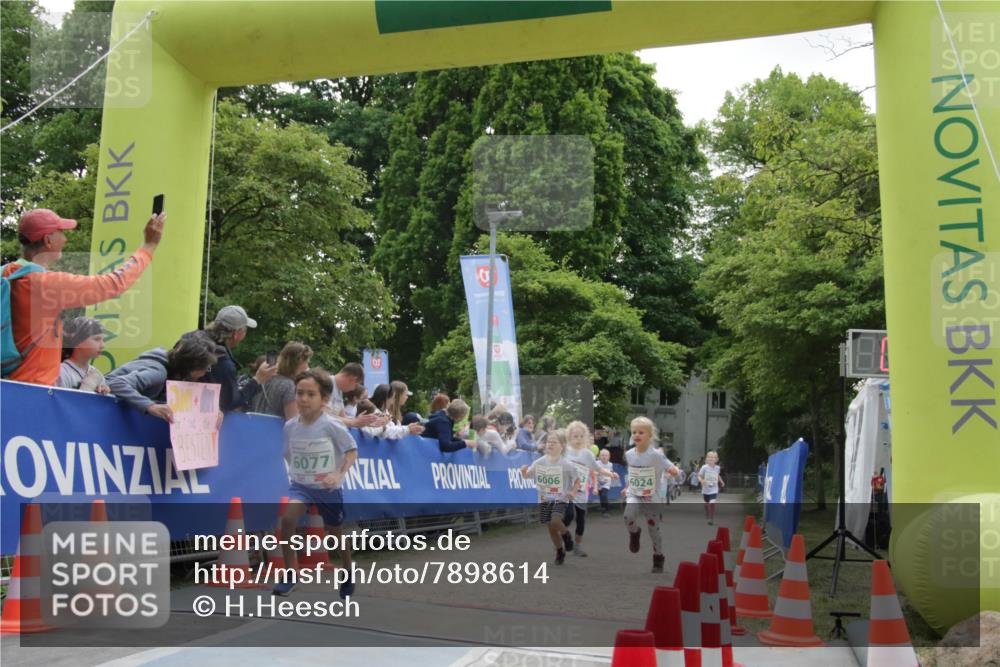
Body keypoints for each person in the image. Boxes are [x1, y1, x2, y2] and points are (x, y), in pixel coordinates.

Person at [2, 209, 165, 385]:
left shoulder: (6, 273)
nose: (65, 239)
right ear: (48, 240)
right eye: (61, 232)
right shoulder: (44, 283)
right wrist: (148, 247)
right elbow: (114, 283)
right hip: (33, 388)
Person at [272, 369, 359, 598]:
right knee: (288, 520)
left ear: (324, 399)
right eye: (300, 393)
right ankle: (291, 575)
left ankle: (348, 569)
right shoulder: (290, 426)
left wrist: (338, 474)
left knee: (335, 532)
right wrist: (299, 472)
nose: (303, 399)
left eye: (311, 394)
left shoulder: (332, 425)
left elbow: (351, 451)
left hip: (327, 488)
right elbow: (288, 453)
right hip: (301, 486)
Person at [105, 332, 218, 422]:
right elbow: (116, 383)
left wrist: (213, 411)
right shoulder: (158, 372)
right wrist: (150, 406)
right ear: (192, 367)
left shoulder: (174, 373)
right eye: (206, 367)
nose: (206, 372)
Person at [620, 416, 680, 573]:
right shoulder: (629, 454)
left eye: (641, 432)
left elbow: (671, 467)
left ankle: (658, 556)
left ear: (650, 435)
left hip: (652, 496)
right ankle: (634, 533)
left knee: (653, 528)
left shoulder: (655, 455)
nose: (637, 435)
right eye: (634, 432)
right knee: (628, 516)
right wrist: (627, 487)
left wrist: (674, 471)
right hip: (635, 494)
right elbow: (633, 473)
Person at [519, 429, 581, 565]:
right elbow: (527, 475)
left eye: (554, 442)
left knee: (555, 521)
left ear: (562, 446)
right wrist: (523, 471)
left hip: (560, 499)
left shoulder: (566, 464)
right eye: (548, 442)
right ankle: (560, 551)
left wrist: (573, 492)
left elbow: (577, 481)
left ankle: (566, 536)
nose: (550, 444)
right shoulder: (539, 462)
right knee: (551, 529)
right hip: (544, 500)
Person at [201, 305, 277, 412]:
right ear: (236, 334)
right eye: (245, 329)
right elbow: (230, 402)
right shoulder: (224, 363)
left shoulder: (190, 342)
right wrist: (258, 379)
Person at [562, 420, 618, 557]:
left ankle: (577, 547)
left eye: (581, 436)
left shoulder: (587, 454)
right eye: (575, 436)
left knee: (581, 520)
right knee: (568, 515)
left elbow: (598, 468)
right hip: (567, 491)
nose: (578, 439)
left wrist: (611, 474)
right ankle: (564, 537)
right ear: (569, 437)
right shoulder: (564, 452)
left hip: (581, 491)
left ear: (585, 437)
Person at [251, 342, 312, 419]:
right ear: (297, 363)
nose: (307, 367)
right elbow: (293, 421)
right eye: (306, 362)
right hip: (276, 427)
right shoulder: (289, 386)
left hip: (255, 425)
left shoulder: (265, 379)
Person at [56, 316, 110, 394]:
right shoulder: (62, 373)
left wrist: (104, 394)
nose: (102, 345)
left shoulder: (98, 375)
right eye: (97, 339)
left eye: (103, 340)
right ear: (77, 341)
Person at [324, 362, 381, 428]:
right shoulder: (325, 384)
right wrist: (354, 422)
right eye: (356, 385)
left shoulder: (339, 389)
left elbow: (343, 417)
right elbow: (324, 416)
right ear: (353, 379)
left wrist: (364, 422)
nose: (353, 389)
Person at [698, 450, 725, 525]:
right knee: (706, 504)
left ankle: (711, 518)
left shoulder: (717, 468)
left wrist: (721, 481)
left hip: (714, 488)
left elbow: (717, 475)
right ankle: (707, 512)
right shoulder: (704, 467)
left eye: (713, 457)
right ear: (706, 459)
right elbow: (699, 475)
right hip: (706, 489)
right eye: (709, 457)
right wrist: (701, 480)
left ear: (717, 459)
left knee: (712, 503)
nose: (711, 459)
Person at [596, 448, 614, 517]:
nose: (604, 457)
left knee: (604, 495)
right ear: (599, 456)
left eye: (606, 455)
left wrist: (612, 475)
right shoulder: (597, 463)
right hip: (598, 483)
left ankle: (606, 511)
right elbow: (593, 472)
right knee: (601, 496)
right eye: (602, 455)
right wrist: (598, 473)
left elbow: (611, 472)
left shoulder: (610, 464)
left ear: (609, 457)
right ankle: (602, 507)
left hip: (606, 483)